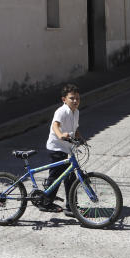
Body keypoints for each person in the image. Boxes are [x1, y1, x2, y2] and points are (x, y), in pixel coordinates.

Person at [43, 83, 82, 217]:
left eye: (77, 98)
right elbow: (55, 125)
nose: (75, 101)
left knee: (70, 178)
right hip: (56, 148)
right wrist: (60, 135)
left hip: (67, 149)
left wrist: (79, 137)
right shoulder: (62, 111)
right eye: (72, 98)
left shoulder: (76, 112)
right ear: (64, 99)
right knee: (56, 177)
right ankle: (45, 203)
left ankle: (71, 207)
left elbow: (74, 128)